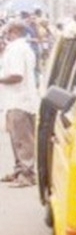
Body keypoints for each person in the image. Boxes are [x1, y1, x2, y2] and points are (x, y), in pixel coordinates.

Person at [0, 22, 41, 188]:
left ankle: (27, 174)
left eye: (7, 31)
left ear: (14, 31)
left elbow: (17, 75)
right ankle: (19, 171)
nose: (6, 34)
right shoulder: (21, 48)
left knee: (23, 140)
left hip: (20, 100)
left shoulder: (17, 49)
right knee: (17, 139)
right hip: (15, 100)